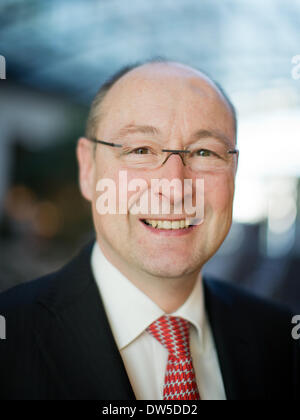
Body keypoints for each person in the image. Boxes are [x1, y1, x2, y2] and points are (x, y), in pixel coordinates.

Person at [0, 60, 299, 401]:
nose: (174, 187)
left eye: (204, 152)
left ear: (234, 172)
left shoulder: (281, 341)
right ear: (88, 169)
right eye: (141, 150)